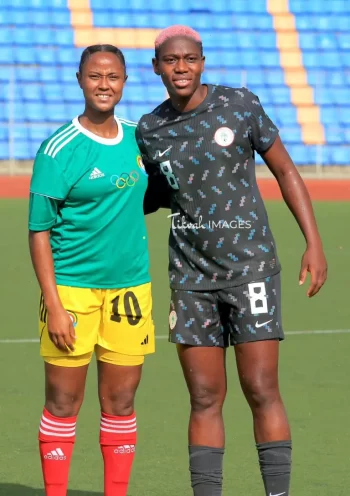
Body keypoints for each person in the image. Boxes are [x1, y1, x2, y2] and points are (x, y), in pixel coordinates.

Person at [137, 25, 328, 496]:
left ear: (202, 61)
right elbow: (155, 197)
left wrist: (314, 241)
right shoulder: (149, 129)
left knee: (261, 390)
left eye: (190, 59)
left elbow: (285, 169)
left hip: (251, 270)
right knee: (203, 397)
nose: (181, 68)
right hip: (190, 278)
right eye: (171, 60)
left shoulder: (240, 104)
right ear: (156, 66)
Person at [28, 44, 155, 496]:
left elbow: (164, 190)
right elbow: (39, 232)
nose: (105, 85)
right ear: (80, 78)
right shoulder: (57, 150)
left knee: (120, 402)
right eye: (96, 76)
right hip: (72, 292)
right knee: (64, 402)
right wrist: (54, 304)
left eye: (113, 77)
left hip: (130, 292)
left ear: (125, 82)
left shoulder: (141, 136)